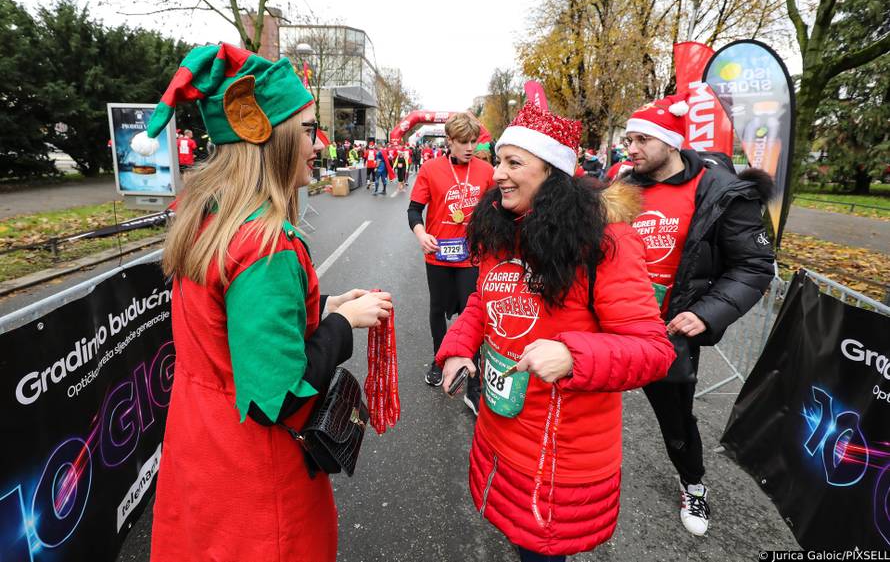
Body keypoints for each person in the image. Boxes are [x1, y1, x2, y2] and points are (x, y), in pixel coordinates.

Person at [137, 43, 392, 562]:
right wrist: (341, 325)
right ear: (267, 139)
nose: (318, 144)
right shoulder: (265, 245)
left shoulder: (210, 219)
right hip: (256, 478)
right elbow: (278, 396)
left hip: (204, 448)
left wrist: (318, 311)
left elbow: (230, 335)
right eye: (305, 130)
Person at [438, 100, 675, 561]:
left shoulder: (605, 243)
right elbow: (483, 302)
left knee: (540, 552)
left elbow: (654, 350)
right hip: (499, 429)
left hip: (560, 455)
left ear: (553, 174)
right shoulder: (502, 228)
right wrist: (458, 346)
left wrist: (573, 356)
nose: (498, 175)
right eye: (498, 161)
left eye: (513, 163)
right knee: (514, 535)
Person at [619, 93, 775, 536]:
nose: (631, 148)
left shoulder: (720, 191)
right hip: (615, 324)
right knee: (584, 400)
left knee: (676, 419)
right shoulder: (625, 188)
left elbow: (755, 266)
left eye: (641, 139)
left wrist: (706, 314)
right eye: (628, 139)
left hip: (667, 332)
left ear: (670, 141)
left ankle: (693, 483)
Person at [407, 113, 495, 414]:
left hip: (471, 256)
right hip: (439, 254)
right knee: (437, 309)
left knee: (472, 312)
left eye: (473, 141)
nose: (470, 147)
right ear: (450, 141)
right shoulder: (431, 169)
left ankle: (473, 378)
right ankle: (439, 358)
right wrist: (421, 234)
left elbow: (496, 210)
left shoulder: (485, 171)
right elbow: (414, 210)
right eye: (464, 142)